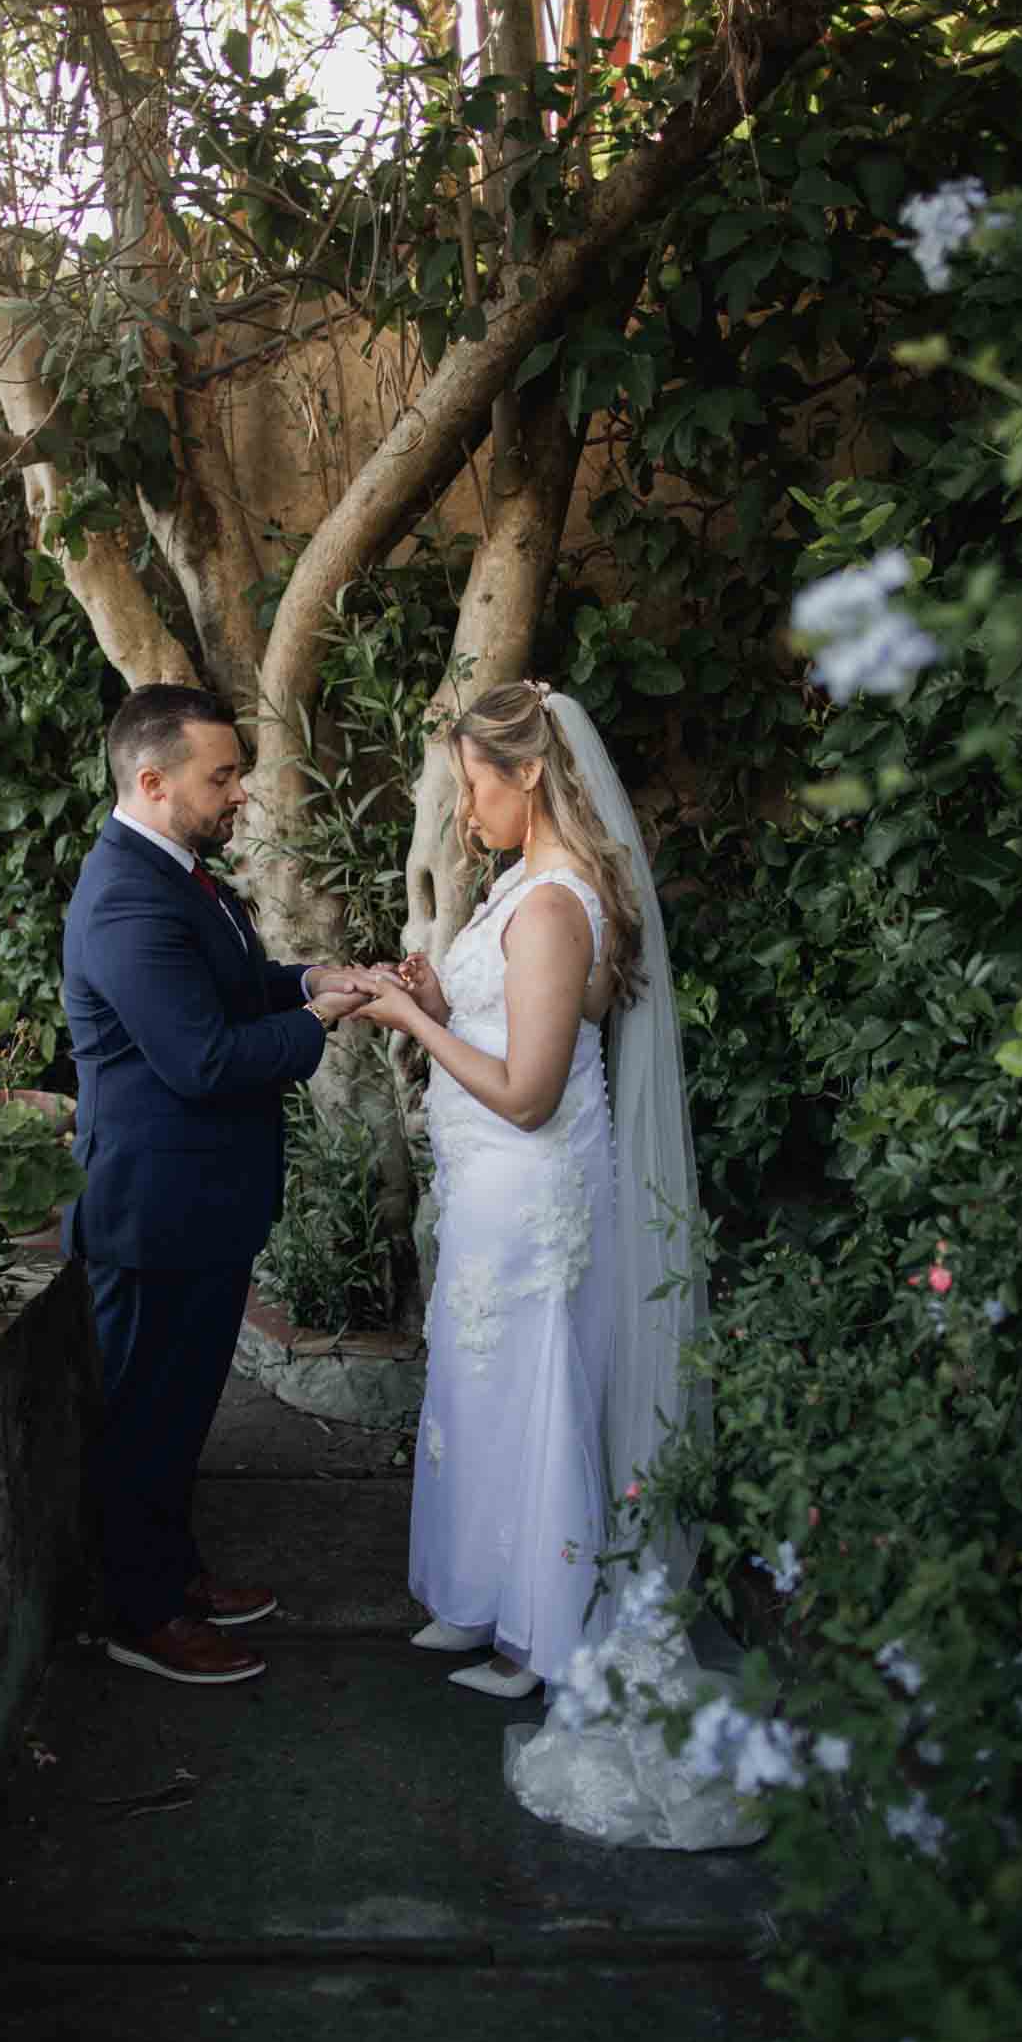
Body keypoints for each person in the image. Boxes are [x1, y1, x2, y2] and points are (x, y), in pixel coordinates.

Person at [358, 679, 707, 1704]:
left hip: (531, 1186)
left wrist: (405, 1020)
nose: (466, 811)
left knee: (534, 1391)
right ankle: (478, 1594)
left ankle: (539, 1634)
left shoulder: (553, 906)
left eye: (475, 786)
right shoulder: (524, 886)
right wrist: (437, 996)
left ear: (529, 775)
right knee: (482, 1390)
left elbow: (527, 1092)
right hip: (491, 1188)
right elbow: (506, 1024)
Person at [62, 684, 371, 1687]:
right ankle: (140, 1615)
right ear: (150, 782)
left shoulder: (179, 876)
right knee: (146, 1417)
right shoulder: (121, 897)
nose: (240, 792)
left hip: (202, 1203)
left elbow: (233, 985)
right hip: (153, 1212)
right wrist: (320, 1022)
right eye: (221, 776)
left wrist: (307, 980)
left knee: (183, 1409)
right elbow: (199, 1059)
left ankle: (177, 1572)